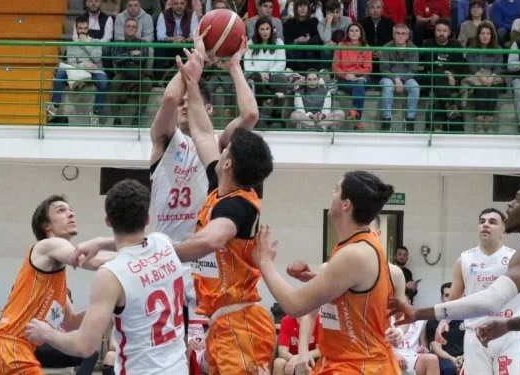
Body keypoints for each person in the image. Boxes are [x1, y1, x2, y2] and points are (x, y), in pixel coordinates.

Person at [170, 39, 275, 374]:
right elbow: (201, 130)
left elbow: (212, 239)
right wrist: (192, 80)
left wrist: (158, 254)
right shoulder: (223, 188)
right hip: (223, 322)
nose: (220, 149)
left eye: (225, 151)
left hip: (241, 324)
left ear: (228, 164)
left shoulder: (239, 207)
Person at [149, 31, 258, 336]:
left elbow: (250, 115)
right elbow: (170, 98)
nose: (183, 104)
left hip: (203, 258)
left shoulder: (217, 146)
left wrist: (235, 66)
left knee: (203, 351)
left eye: (190, 101)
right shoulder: (164, 140)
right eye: (183, 101)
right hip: (167, 253)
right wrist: (192, 66)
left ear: (206, 109)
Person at [25, 179, 187, 375]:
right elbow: (71, 322)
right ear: (147, 219)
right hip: (178, 367)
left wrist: (46, 333)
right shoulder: (164, 243)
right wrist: (101, 243)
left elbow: (83, 346)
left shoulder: (111, 274)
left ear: (108, 221)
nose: (71, 213)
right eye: (61, 210)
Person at [253, 171, 400, 374]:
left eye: (335, 190)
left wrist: (264, 261)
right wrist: (319, 279)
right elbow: (356, 294)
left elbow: (294, 305)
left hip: (359, 366)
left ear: (345, 204)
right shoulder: (360, 244)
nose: (332, 195)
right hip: (347, 363)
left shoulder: (354, 254)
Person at [0, 195, 119, 375]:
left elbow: (71, 322)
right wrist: (136, 252)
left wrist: (107, 307)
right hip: (12, 349)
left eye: (70, 210)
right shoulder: (47, 245)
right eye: (61, 210)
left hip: (6, 351)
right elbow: (91, 261)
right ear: (47, 226)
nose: (70, 213)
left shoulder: (57, 280)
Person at [389, 182, 520, 354]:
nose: (509, 203)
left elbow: (490, 301)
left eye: (517, 199)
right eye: (482, 221)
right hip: (478, 331)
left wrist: (419, 313)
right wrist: (508, 324)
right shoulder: (465, 258)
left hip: (507, 338)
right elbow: (456, 296)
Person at [425, 283, 465, 375]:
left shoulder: (468, 319)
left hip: (464, 357)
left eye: (453, 296)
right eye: (447, 295)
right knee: (449, 369)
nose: (450, 299)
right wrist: (453, 360)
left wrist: (462, 359)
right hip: (444, 358)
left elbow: (472, 345)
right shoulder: (434, 320)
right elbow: (437, 349)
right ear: (442, 299)